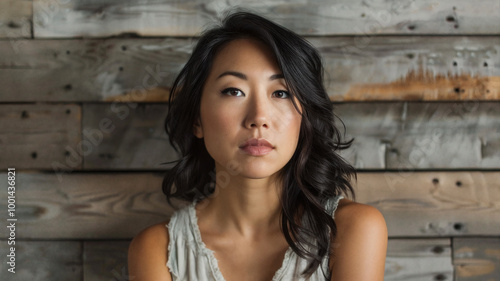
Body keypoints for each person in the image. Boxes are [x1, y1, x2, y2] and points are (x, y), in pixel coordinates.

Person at [128, 11, 387, 281]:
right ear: (197, 119)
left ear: (305, 117)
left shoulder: (350, 230)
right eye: (234, 91)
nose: (259, 118)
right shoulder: (158, 250)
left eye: (281, 93)